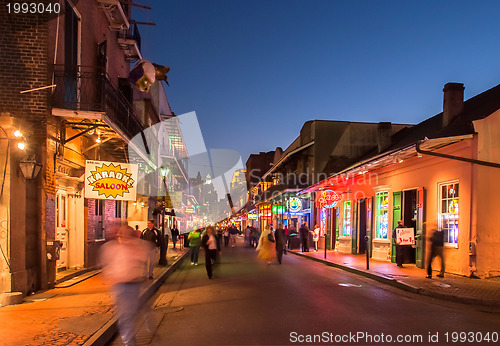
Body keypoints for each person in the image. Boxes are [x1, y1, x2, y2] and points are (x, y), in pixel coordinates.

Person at [100, 224, 150, 346]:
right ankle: (130, 341)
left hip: (132, 286)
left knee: (127, 316)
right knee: (125, 317)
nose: (121, 238)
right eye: (120, 235)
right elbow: (107, 267)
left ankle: (131, 341)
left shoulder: (137, 246)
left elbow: (143, 258)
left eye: (123, 235)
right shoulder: (111, 248)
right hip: (119, 286)